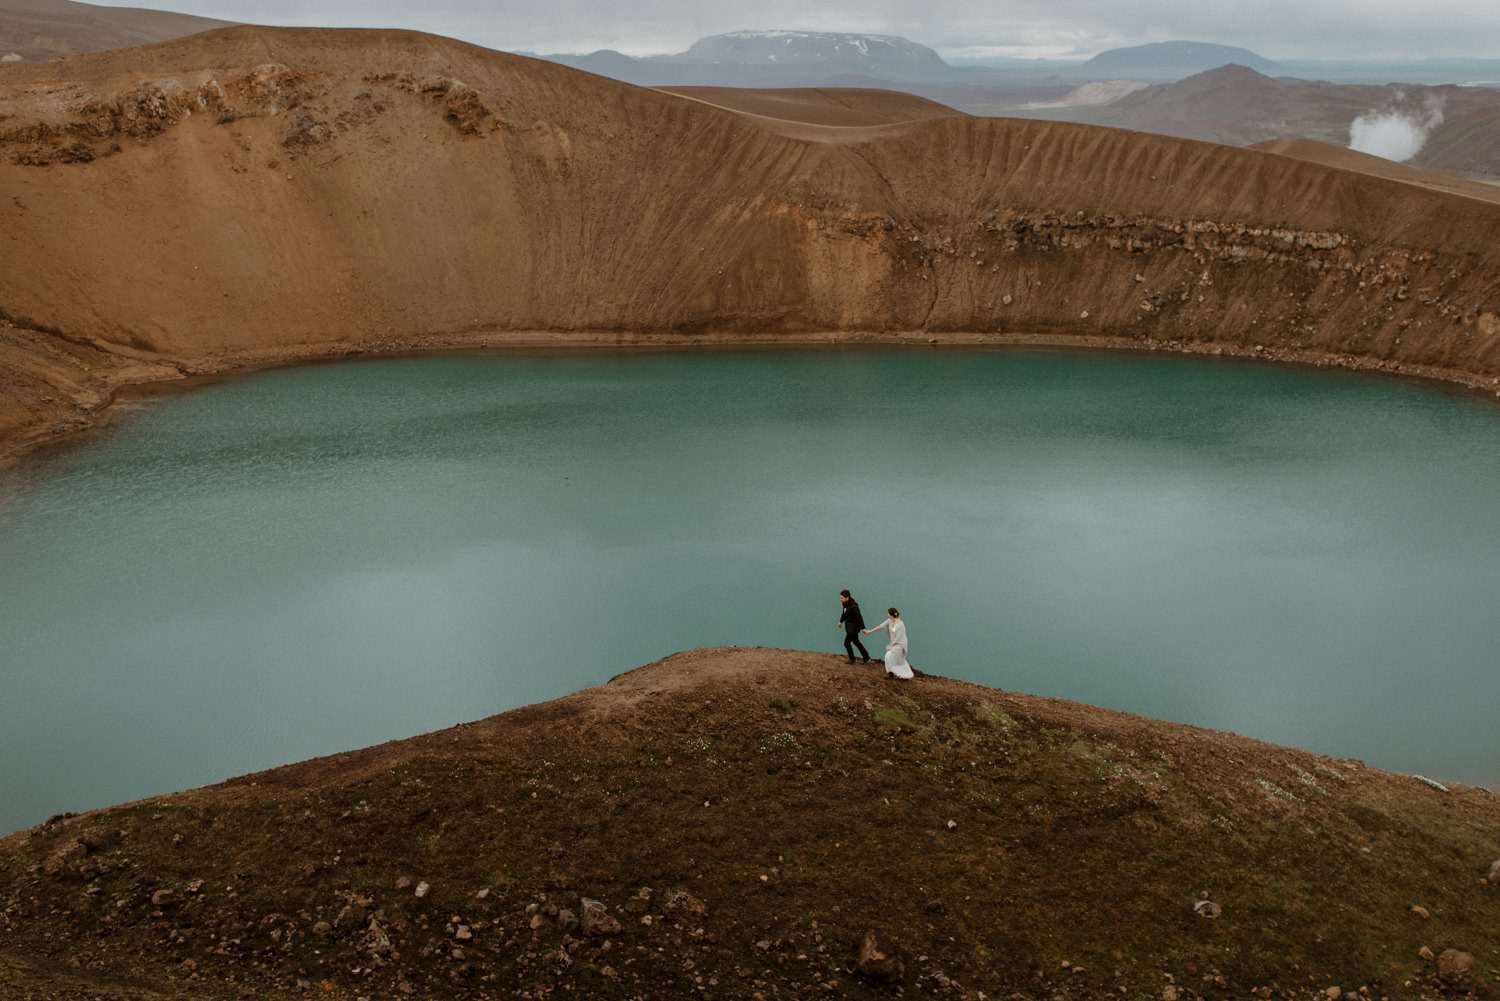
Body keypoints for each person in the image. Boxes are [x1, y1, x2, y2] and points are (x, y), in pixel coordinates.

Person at [863, 607, 914, 680]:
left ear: (891, 615)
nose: (887, 615)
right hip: (894, 644)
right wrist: (870, 631)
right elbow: (881, 626)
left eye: (888, 613)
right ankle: (891, 674)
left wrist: (891, 646)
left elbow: (899, 637)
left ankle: (899, 674)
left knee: (890, 657)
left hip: (900, 645)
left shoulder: (900, 624)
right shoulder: (889, 620)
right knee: (890, 657)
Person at [837, 589, 870, 664]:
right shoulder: (845, 604)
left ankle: (852, 659)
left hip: (853, 628)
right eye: (840, 598)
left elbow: (859, 617)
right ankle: (866, 658)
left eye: (842, 598)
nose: (840, 599)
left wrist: (863, 628)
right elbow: (844, 613)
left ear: (847, 598)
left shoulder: (853, 606)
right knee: (856, 642)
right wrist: (841, 621)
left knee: (846, 643)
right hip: (849, 627)